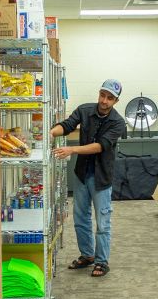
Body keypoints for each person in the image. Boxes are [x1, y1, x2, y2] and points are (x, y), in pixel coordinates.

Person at [50, 79, 126, 277]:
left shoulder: (117, 122)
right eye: (103, 95)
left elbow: (100, 146)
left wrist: (72, 149)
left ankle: (101, 261)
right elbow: (67, 125)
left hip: (101, 177)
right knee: (80, 217)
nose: (104, 101)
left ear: (116, 101)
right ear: (99, 93)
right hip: (82, 174)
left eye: (110, 98)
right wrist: (50, 133)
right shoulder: (84, 110)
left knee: (102, 221)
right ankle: (87, 255)